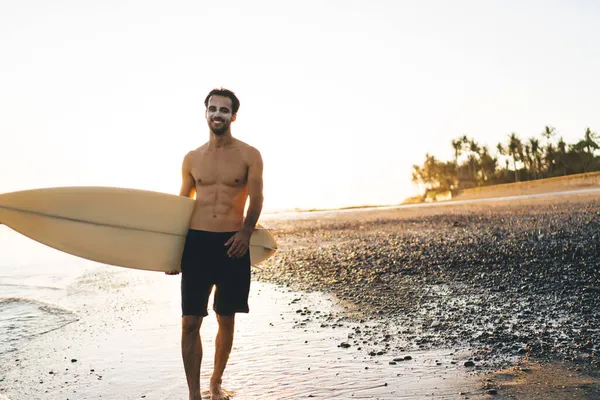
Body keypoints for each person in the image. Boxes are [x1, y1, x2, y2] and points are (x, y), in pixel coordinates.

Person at [166, 88, 264, 400]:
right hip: (197, 244)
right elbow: (183, 204)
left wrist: (246, 232)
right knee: (189, 322)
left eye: (224, 110)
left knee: (226, 317)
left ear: (233, 116)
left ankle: (215, 381)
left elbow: (257, 197)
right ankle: (194, 395)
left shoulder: (250, 155)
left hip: (233, 243)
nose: (217, 114)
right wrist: (169, 252)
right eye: (212, 109)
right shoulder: (192, 159)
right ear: (205, 113)